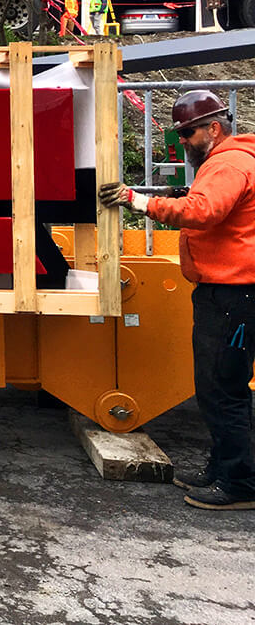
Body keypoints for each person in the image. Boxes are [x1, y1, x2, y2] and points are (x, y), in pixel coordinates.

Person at [100, 89, 255, 510]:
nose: (182, 141)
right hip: (228, 292)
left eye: (187, 132)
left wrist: (139, 201)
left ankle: (239, 484)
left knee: (223, 387)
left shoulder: (228, 163)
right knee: (219, 385)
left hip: (232, 294)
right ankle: (224, 470)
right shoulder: (232, 160)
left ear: (214, 128)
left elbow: (202, 212)